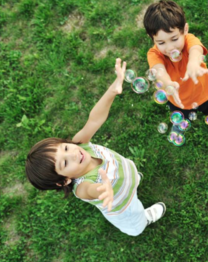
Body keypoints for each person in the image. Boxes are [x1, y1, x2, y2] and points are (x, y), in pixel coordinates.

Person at [25, 58, 166, 236]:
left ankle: (134, 181)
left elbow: (95, 118)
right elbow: (92, 190)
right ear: (64, 181)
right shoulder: (83, 187)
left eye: (66, 149)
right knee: (135, 219)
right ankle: (144, 219)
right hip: (123, 204)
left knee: (132, 178)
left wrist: (113, 90)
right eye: (65, 163)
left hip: (124, 171)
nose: (74, 154)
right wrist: (102, 191)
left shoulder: (80, 143)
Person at [144, 0, 208, 139]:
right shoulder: (154, 54)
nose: (170, 47)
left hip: (205, 92)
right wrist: (168, 84)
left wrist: (193, 63)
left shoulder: (190, 40)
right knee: (180, 114)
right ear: (152, 39)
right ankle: (180, 122)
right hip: (178, 99)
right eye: (161, 42)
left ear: (185, 30)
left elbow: (196, 50)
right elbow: (159, 70)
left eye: (174, 39)